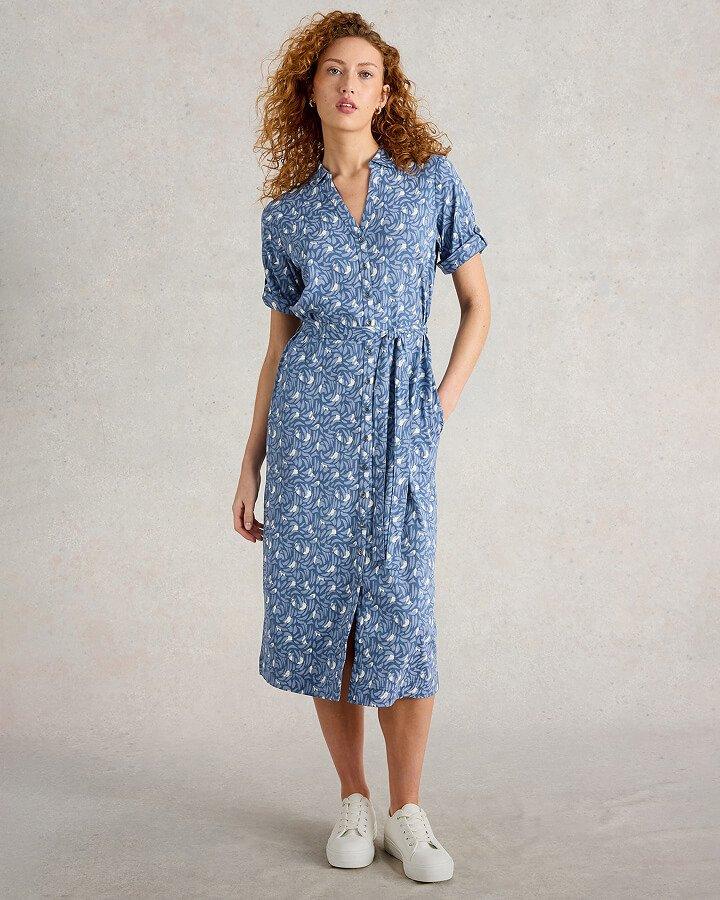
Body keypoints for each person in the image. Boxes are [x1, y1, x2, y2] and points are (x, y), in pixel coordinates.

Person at [233, 10, 491, 884]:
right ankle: (353, 797)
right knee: (324, 615)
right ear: (309, 89)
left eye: (366, 73)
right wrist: (249, 462)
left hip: (397, 426)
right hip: (308, 435)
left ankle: (408, 810)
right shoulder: (287, 215)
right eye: (334, 71)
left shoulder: (429, 182)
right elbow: (278, 350)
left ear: (386, 93)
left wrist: (437, 408)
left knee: (402, 613)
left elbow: (479, 305)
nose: (349, 84)